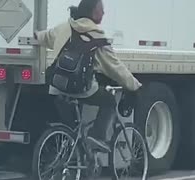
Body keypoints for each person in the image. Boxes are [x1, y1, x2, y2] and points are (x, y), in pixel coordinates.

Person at [34, 0, 142, 153]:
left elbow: (45, 37)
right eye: (101, 10)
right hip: (81, 89)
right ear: (92, 12)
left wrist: (34, 36)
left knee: (73, 131)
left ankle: (75, 154)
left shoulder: (65, 27)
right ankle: (97, 137)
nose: (103, 13)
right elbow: (115, 67)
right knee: (109, 101)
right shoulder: (97, 36)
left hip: (57, 88)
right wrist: (134, 85)